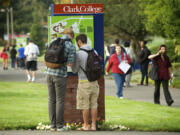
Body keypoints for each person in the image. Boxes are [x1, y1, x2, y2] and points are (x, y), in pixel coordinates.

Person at [46, 28, 76, 131]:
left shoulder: (53, 41)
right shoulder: (70, 46)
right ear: (71, 35)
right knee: (60, 100)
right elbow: (70, 64)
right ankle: (59, 126)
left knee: (51, 99)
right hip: (60, 75)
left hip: (48, 74)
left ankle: (52, 125)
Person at [72, 34, 99, 131]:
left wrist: (71, 65)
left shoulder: (79, 54)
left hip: (84, 82)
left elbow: (74, 70)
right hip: (95, 82)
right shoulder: (94, 51)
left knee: (85, 105)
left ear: (79, 42)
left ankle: (86, 125)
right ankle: (94, 125)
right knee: (94, 104)